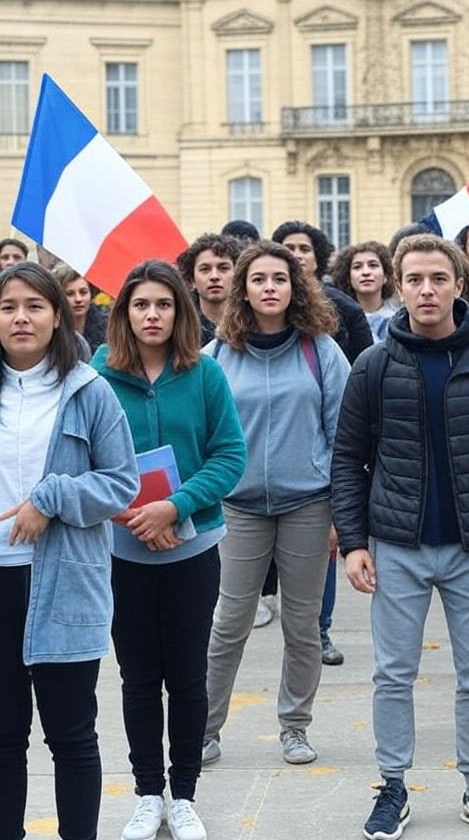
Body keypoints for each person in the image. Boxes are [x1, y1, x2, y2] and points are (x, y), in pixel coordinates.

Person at [331, 233, 469, 840]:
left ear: (458, 285)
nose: (426, 290)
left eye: (438, 279)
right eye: (415, 280)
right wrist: (354, 541)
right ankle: (392, 784)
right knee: (393, 674)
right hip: (396, 545)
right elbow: (348, 458)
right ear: (400, 286)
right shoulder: (373, 363)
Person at [92, 260, 246, 840]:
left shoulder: (204, 373)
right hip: (123, 549)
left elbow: (229, 455)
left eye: (163, 304)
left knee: (186, 678)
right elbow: (81, 459)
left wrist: (175, 506)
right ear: (124, 312)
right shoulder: (97, 375)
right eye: (140, 305)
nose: (152, 315)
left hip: (190, 548)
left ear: (179, 312)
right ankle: (147, 793)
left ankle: (183, 796)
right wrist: (130, 515)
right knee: (136, 678)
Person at [0, 262, 138, 840]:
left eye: (35, 306)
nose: (21, 318)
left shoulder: (89, 391)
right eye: (8, 307)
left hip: (63, 578)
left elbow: (121, 483)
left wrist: (52, 498)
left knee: (71, 733)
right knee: (5, 734)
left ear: (59, 315)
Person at [202, 240, 349, 767]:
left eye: (280, 279)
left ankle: (294, 726)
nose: (270, 288)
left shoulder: (321, 350)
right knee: (228, 621)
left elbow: (345, 434)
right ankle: (204, 727)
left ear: (296, 287)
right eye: (259, 279)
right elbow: (203, 434)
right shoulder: (217, 354)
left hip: (308, 504)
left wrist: (339, 510)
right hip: (237, 507)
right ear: (244, 288)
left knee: (303, 624)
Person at [271, 220, 373, 663]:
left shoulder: (341, 312)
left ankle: (321, 630)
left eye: (303, 249)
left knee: (321, 559)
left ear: (317, 257)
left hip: (314, 468)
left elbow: (365, 363)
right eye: (287, 249)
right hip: (257, 485)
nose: (296, 255)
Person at [176, 233, 242, 346]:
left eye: (223, 268)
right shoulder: (179, 328)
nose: (214, 276)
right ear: (192, 280)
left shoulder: (252, 325)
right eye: (205, 269)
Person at [329, 241, 397, 342]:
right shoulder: (338, 322)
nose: (366, 272)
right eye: (357, 267)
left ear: (386, 276)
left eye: (373, 265)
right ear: (348, 278)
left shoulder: (399, 320)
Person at [52, 264, 108, 355]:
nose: (78, 299)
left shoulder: (107, 327)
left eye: (83, 292)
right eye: (70, 294)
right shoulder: (51, 329)